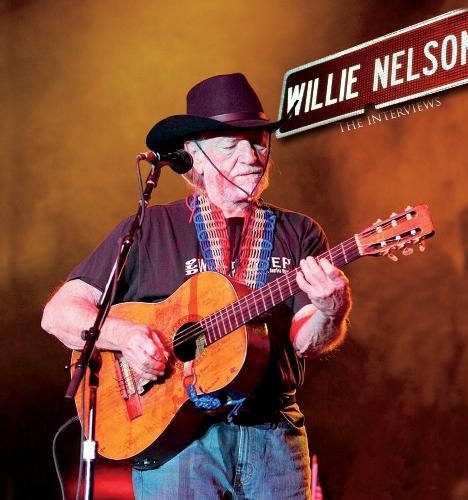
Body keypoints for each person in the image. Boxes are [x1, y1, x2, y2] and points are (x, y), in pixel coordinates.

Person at [42, 73, 352, 499]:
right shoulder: (152, 227)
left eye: (259, 143)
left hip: (273, 438)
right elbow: (59, 314)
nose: (251, 157)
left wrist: (331, 308)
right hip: (177, 444)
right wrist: (127, 336)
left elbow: (306, 342)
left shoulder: (300, 233)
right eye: (230, 145)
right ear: (195, 157)